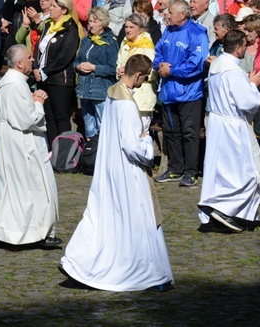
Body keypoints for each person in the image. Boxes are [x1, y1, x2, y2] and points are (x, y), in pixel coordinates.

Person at [60, 54, 174, 292]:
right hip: (127, 171)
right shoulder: (126, 104)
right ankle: (146, 273)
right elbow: (133, 145)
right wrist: (146, 142)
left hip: (110, 166)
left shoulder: (113, 92)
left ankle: (81, 261)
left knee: (102, 215)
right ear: (140, 75)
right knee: (137, 219)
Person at [0, 45, 61, 247]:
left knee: (9, 184)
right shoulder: (15, 85)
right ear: (19, 63)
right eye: (29, 57)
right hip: (19, 140)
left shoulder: (11, 82)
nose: (33, 61)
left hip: (7, 138)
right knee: (27, 184)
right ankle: (29, 232)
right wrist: (38, 102)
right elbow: (28, 119)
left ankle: (6, 230)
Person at [198, 29, 260, 233]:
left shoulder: (218, 64)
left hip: (218, 122)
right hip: (233, 125)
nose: (246, 48)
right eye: (245, 45)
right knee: (247, 173)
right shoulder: (234, 71)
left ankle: (222, 212)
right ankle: (225, 209)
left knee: (217, 171)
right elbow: (248, 102)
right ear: (238, 49)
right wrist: (253, 85)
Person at [153, 0, 209, 188]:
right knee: (171, 131)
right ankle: (175, 168)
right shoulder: (168, 30)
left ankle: (191, 172)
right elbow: (158, 50)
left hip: (189, 93)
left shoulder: (197, 33)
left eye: (170, 12)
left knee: (189, 133)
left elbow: (197, 63)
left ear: (182, 15)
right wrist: (159, 65)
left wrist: (172, 71)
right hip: (169, 92)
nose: (167, 15)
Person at [32, 0, 80, 144]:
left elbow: (65, 56)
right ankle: (53, 150)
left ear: (64, 9)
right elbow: (38, 48)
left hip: (60, 79)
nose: (49, 8)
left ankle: (65, 152)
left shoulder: (70, 28)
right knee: (49, 116)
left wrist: (45, 70)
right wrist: (35, 67)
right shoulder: (48, 25)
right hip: (43, 78)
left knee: (61, 116)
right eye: (50, 5)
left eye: (53, 6)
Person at [75, 8, 118, 139]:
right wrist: (78, 66)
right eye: (90, 21)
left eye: (95, 21)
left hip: (100, 91)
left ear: (103, 23)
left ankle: (102, 157)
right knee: (89, 128)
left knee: (103, 128)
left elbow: (112, 68)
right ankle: (91, 156)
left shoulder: (110, 42)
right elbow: (76, 61)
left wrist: (94, 67)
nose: (91, 24)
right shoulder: (86, 40)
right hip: (84, 90)